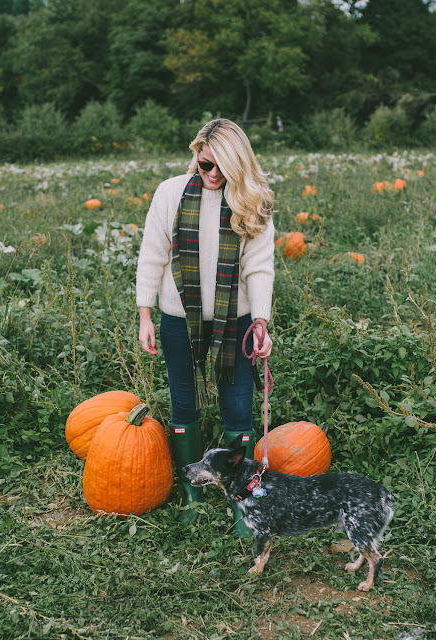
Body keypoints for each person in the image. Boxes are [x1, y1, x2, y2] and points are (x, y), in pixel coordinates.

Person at [136, 118, 275, 532]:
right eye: (204, 165)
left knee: (238, 404)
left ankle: (242, 500)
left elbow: (260, 267)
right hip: (179, 318)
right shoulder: (170, 193)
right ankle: (192, 494)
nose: (211, 175)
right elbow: (152, 254)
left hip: (237, 321)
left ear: (237, 165)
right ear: (195, 157)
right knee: (184, 401)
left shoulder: (253, 200)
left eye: (220, 168)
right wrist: (145, 314)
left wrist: (262, 322)